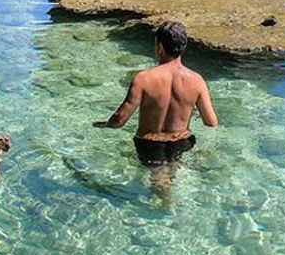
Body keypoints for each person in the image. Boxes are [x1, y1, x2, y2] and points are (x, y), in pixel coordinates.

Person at [93, 21, 218, 167]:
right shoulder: (197, 80)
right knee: (172, 172)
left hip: (149, 143)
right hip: (182, 142)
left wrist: (104, 125)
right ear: (183, 47)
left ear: (160, 47)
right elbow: (211, 122)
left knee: (158, 176)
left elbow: (120, 120)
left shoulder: (143, 79)